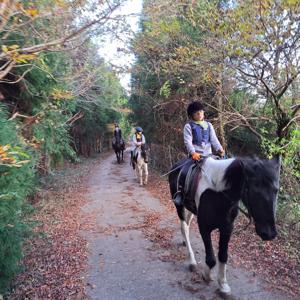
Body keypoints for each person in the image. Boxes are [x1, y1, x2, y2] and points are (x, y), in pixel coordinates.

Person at [173, 101, 225, 205]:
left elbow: (214, 139)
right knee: (185, 171)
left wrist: (220, 149)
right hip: (196, 156)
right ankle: (180, 193)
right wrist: (193, 152)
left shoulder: (209, 125)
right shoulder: (188, 126)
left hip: (209, 155)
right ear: (192, 115)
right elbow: (187, 141)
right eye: (197, 113)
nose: (200, 114)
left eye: (201, 111)